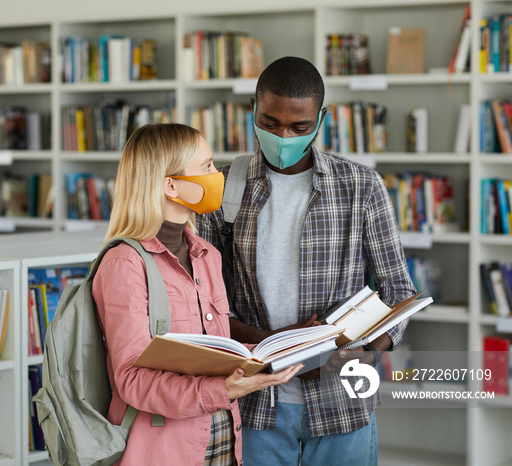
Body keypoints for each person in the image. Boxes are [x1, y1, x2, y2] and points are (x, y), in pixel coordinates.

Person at [197, 56, 417, 465]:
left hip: (344, 400)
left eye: (299, 127)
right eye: (269, 123)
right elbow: (204, 305)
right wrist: (273, 349)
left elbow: (398, 292)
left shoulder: (361, 187)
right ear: (252, 110)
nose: (283, 137)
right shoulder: (222, 188)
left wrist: (368, 352)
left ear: (321, 118)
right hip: (255, 404)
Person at [92, 123, 302, 466]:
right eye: (206, 168)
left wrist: (270, 353)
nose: (217, 175)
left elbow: (215, 351)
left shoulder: (207, 255)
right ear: (171, 185)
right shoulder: (124, 264)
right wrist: (223, 390)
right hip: (162, 452)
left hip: (224, 443)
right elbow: (130, 379)